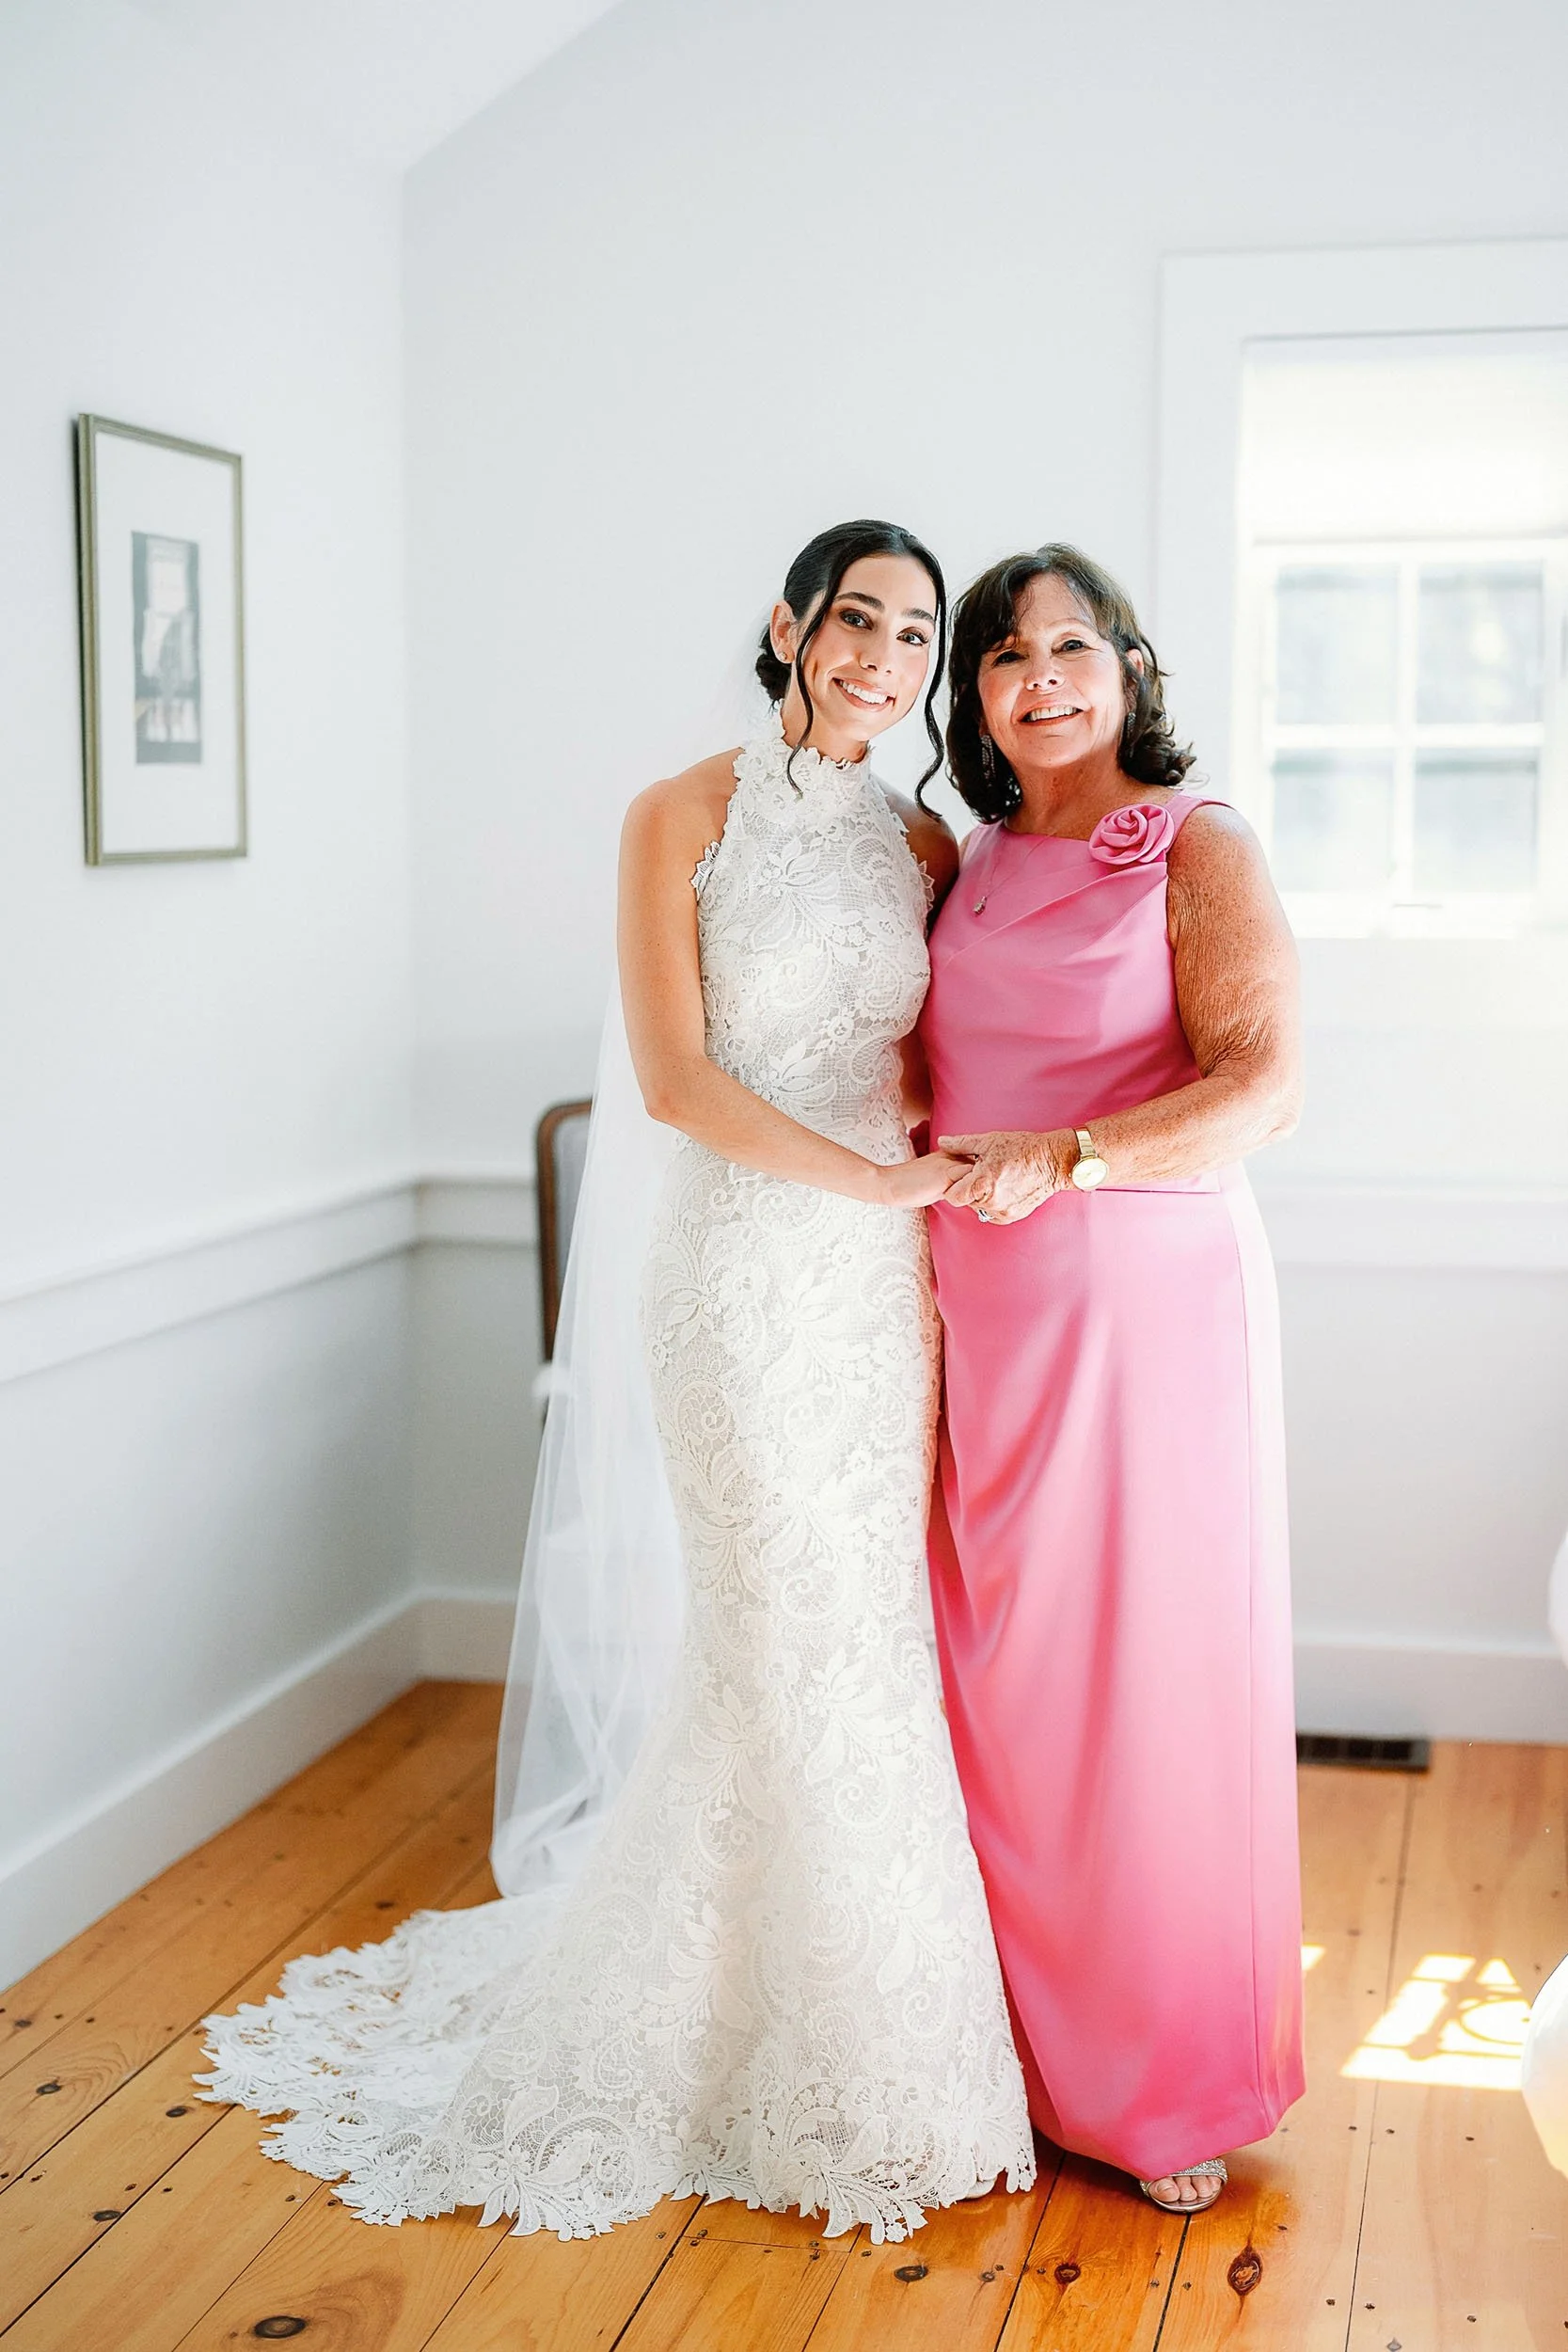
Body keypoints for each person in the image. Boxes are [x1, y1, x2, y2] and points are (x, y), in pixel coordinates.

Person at [199, 519, 1034, 2243]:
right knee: (773, 1628)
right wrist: (867, 1179)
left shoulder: (922, 840)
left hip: (887, 1295)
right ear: (792, 628)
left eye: (915, 633)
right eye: (857, 619)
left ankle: (872, 2028)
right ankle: (723, 2034)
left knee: (864, 1633)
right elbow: (671, 1084)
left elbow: (950, 1053)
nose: (885, 656)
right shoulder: (684, 815)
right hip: (742, 1272)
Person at [918, 544, 1306, 2215]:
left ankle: (1159, 2086)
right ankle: (998, 2046)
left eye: (1072, 645)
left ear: (1130, 669)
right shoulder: (966, 860)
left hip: (1142, 1304)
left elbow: (1265, 1086)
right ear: (979, 696)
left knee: (1137, 1684)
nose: (1042, 677)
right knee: (995, 1681)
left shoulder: (1194, 847)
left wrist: (1068, 1160)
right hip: (973, 1303)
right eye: (1007, 655)